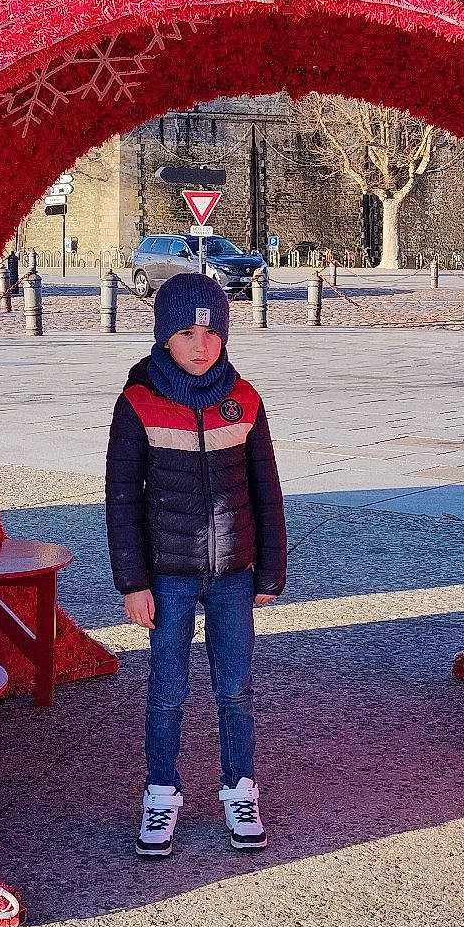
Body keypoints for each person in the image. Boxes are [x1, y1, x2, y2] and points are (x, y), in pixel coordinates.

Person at [105, 272, 287, 860]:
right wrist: (132, 583)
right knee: (167, 690)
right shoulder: (138, 403)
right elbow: (122, 496)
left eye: (210, 332)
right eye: (186, 332)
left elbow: (267, 489)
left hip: (234, 571)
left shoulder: (245, 399)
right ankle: (162, 791)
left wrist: (271, 570)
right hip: (169, 574)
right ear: (164, 337)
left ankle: (240, 786)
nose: (201, 345)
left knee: (234, 687)